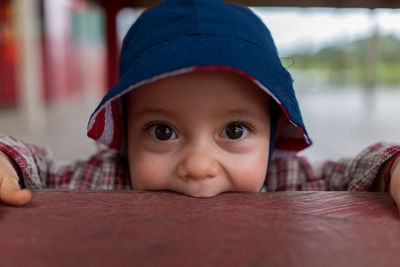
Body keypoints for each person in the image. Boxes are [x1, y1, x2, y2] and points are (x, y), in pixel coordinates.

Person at [1, 0, 399, 207]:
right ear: (126, 133)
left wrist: (392, 170)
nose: (198, 167)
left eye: (234, 131)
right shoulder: (104, 180)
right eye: (162, 132)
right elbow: (38, 166)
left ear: (275, 133)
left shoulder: (290, 181)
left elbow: (361, 169)